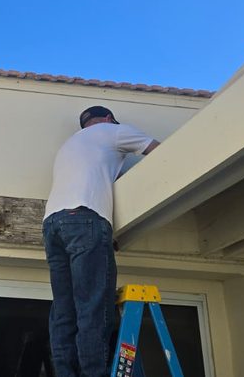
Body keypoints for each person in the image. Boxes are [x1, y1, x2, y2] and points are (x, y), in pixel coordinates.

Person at [42, 106, 159, 377]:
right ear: (107, 119)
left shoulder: (71, 146)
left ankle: (66, 373)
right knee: (92, 306)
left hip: (52, 225)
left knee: (65, 310)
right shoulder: (115, 132)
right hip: (85, 218)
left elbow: (104, 177)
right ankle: (94, 373)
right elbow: (159, 152)